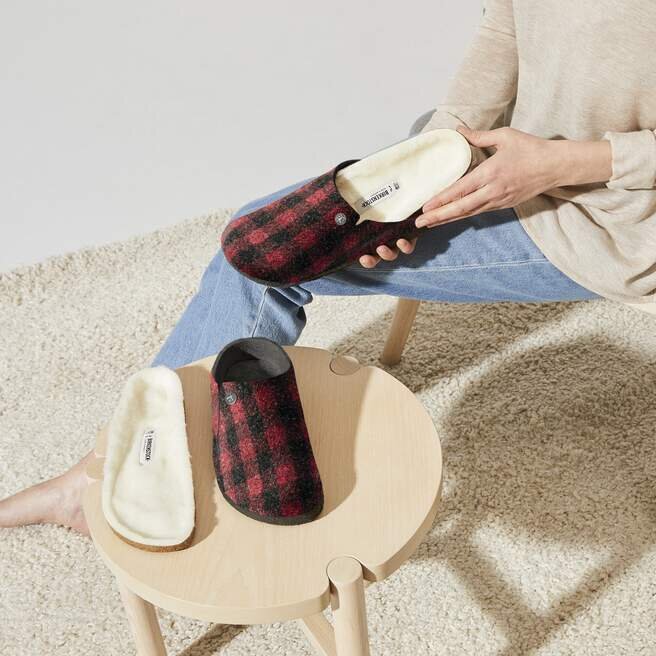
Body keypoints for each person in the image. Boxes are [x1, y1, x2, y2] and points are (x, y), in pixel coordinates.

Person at [1, 0, 653, 535]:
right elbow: (509, 24)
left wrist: (561, 164)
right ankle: (125, 460)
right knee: (265, 235)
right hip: (507, 154)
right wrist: (438, 153)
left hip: (616, 219)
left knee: (262, 267)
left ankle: (101, 478)